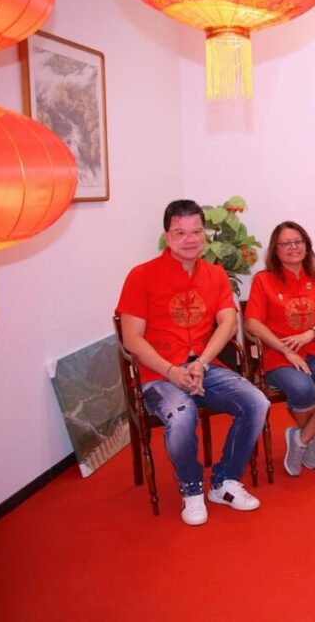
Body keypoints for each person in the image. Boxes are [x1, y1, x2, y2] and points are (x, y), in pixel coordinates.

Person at [116, 200, 269, 526]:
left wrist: (201, 362)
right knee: (182, 415)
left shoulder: (215, 274)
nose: (190, 239)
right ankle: (192, 488)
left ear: (205, 234)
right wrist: (172, 371)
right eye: (180, 232)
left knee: (256, 402)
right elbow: (132, 339)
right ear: (166, 236)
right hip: (158, 373)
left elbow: (228, 322)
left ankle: (224, 480)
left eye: (196, 231)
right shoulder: (141, 276)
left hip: (202, 367)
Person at [244, 221, 315, 477]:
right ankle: (310, 438)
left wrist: (312, 332)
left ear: (306, 245)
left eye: (298, 242)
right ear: (275, 249)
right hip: (279, 355)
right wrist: (286, 350)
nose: (293, 247)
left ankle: (302, 439)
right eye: (286, 243)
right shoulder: (263, 280)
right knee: (302, 389)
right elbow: (251, 323)